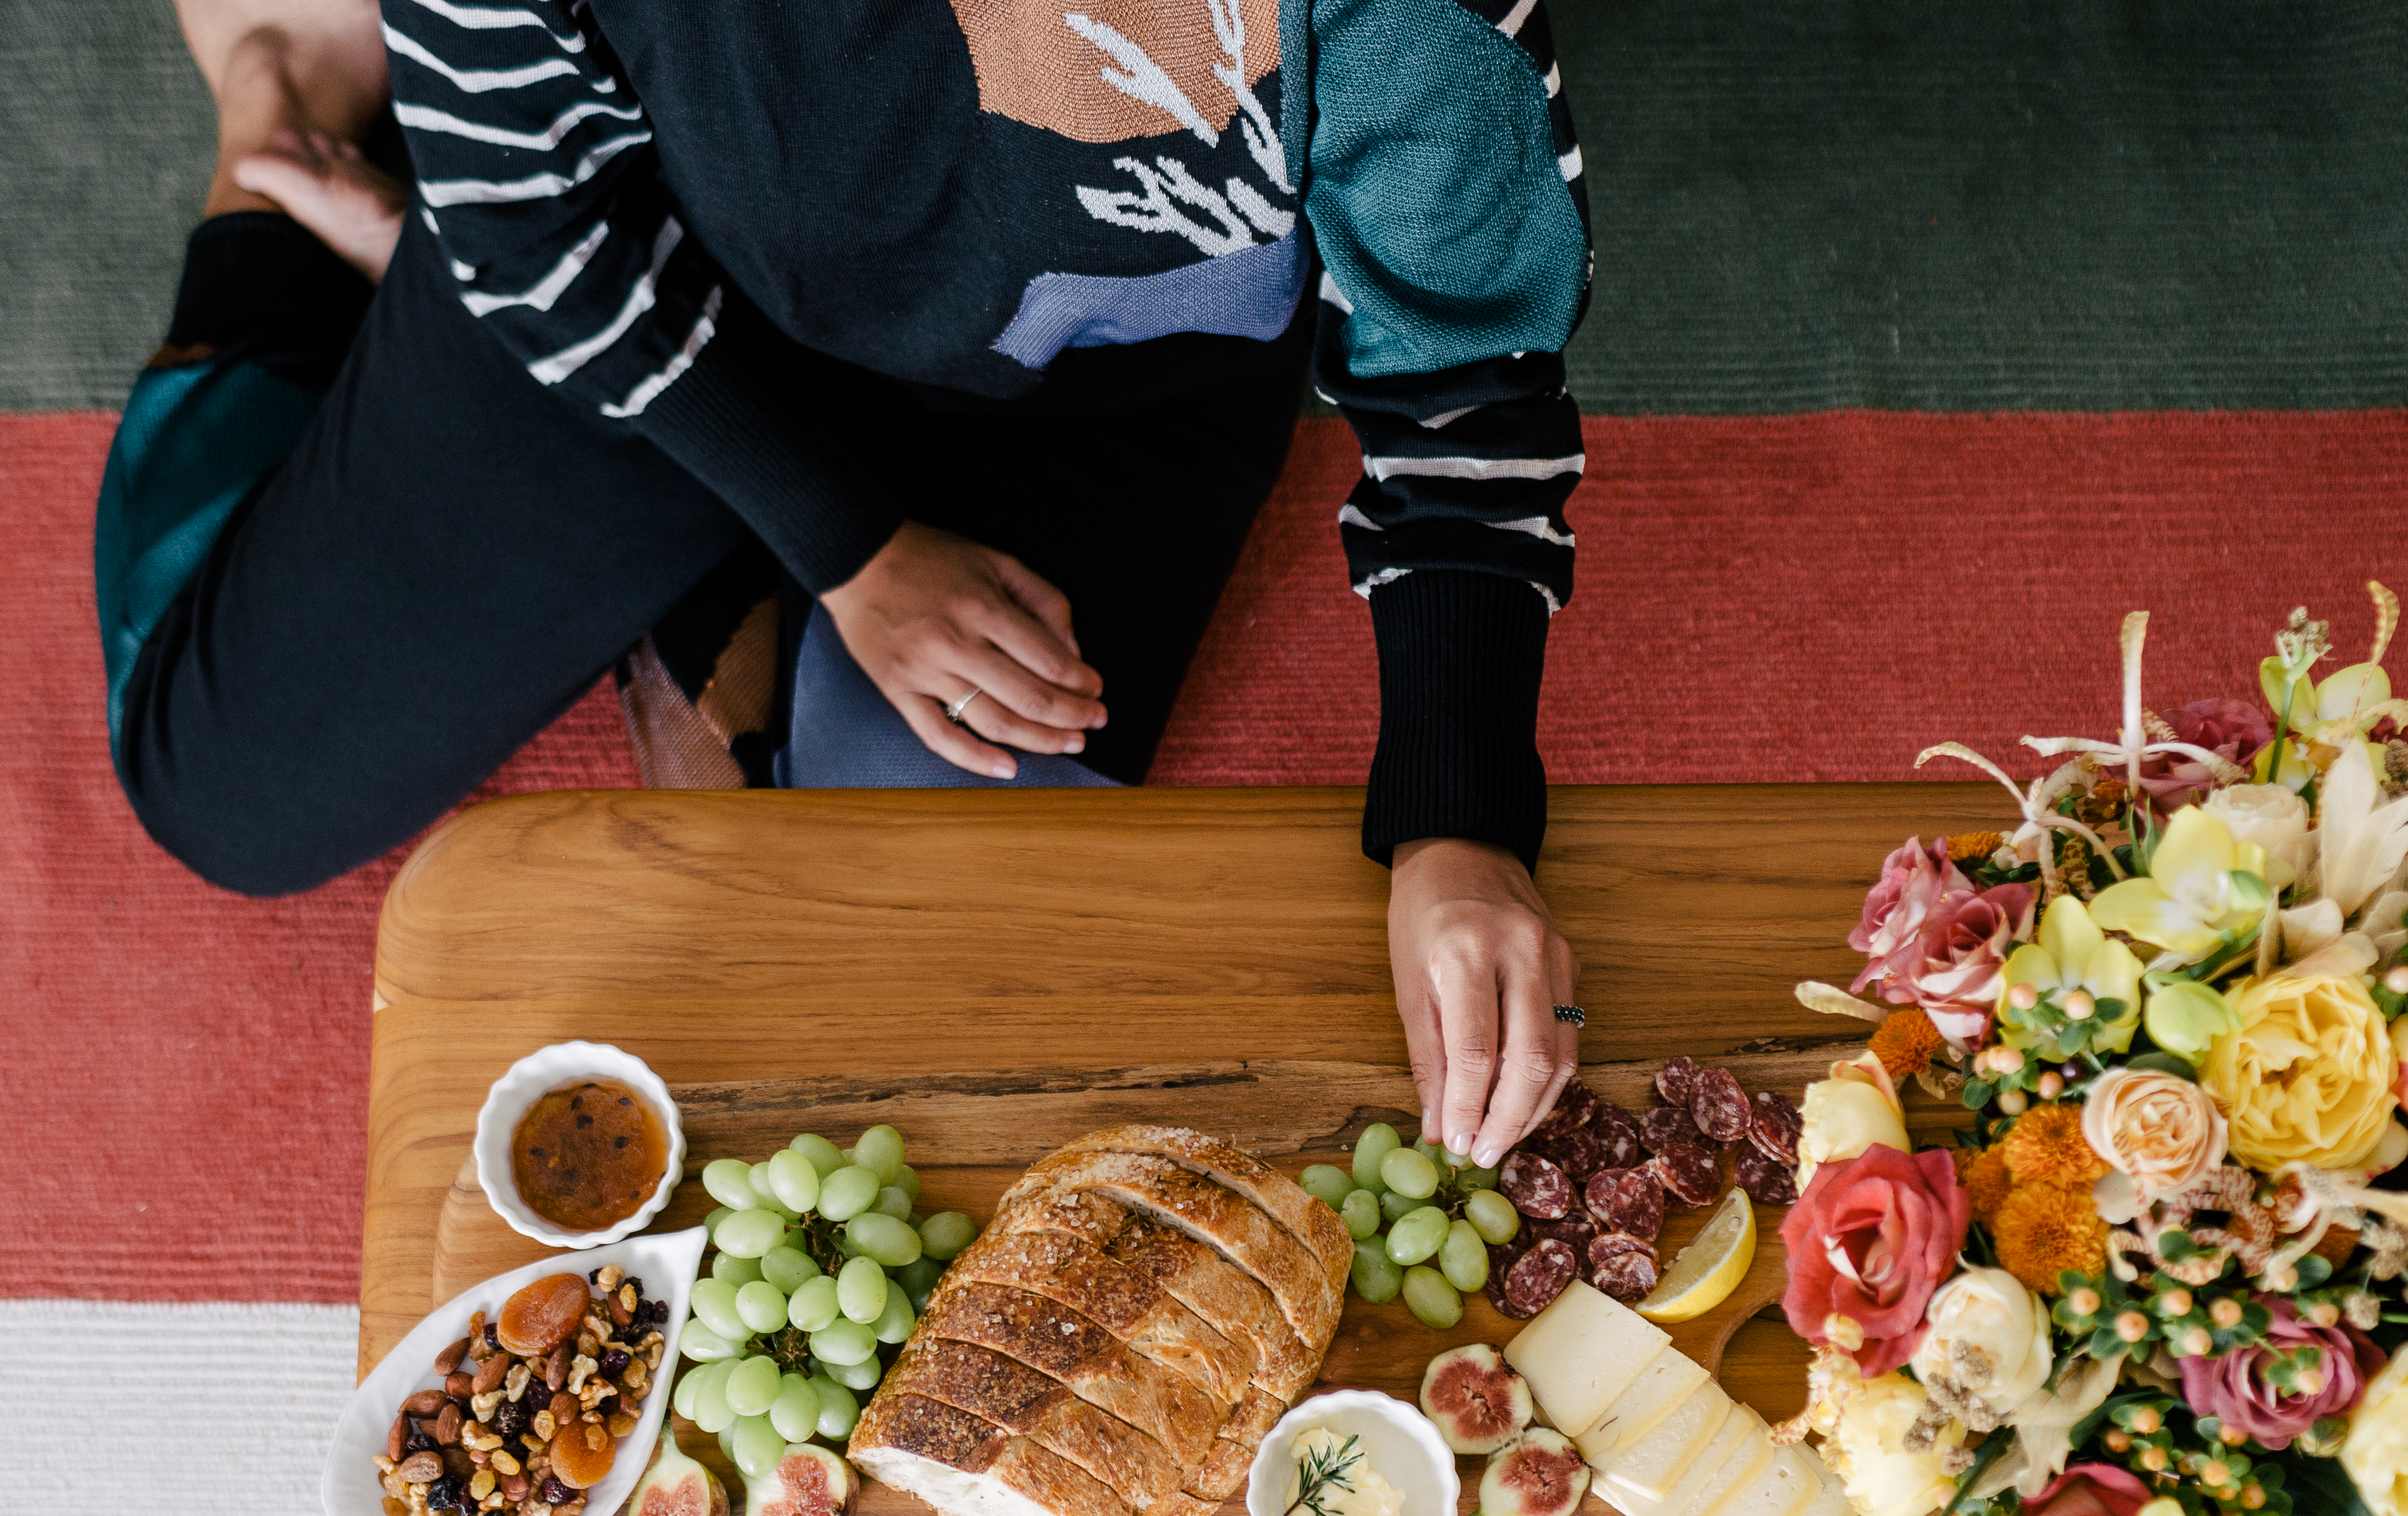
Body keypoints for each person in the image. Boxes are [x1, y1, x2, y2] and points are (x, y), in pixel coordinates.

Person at [98, 0, 1594, 1168]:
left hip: (1107, 376)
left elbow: (1466, 372)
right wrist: (848, 546)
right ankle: (284, 101)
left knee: (892, 986)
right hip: (661, 273)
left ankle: (444, 312)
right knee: (224, 781)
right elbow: (530, 207)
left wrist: (1459, 815)